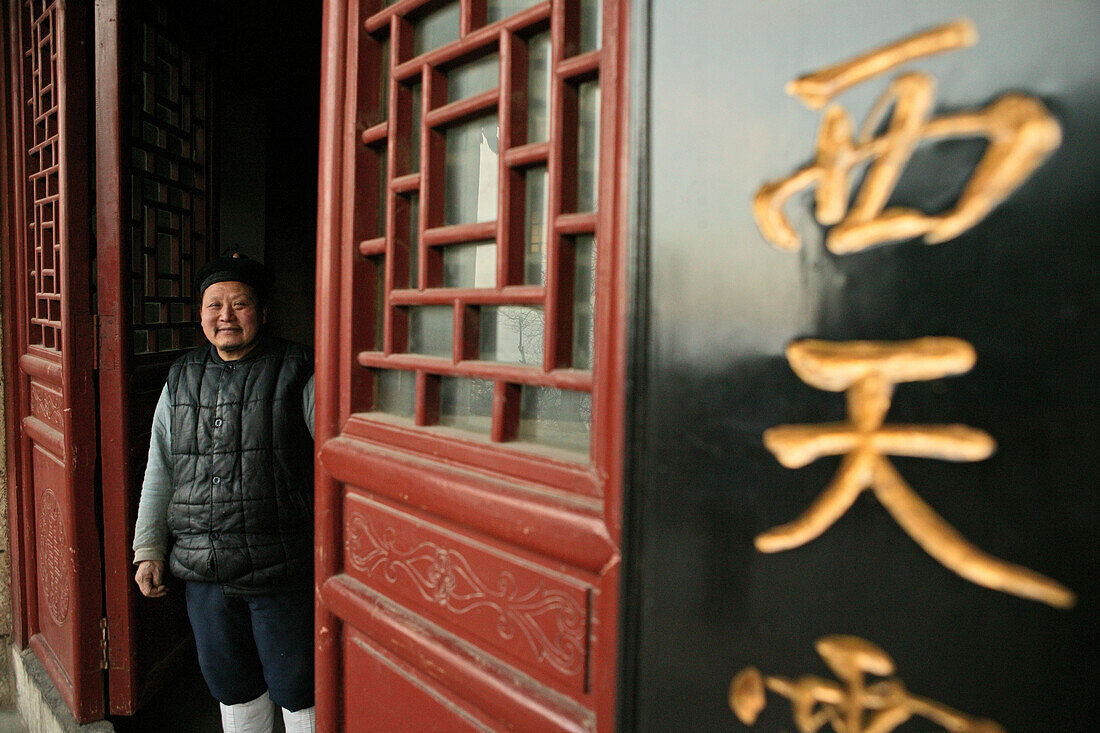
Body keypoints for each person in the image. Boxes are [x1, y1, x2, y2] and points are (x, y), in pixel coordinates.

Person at [133, 253, 316, 733]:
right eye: (214, 305)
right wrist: (148, 548)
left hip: (281, 570)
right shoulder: (182, 376)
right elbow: (161, 468)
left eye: (240, 304)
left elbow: (333, 464)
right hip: (205, 571)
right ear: (200, 314)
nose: (226, 316)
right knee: (232, 689)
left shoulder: (298, 369)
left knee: (300, 691)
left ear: (263, 311)